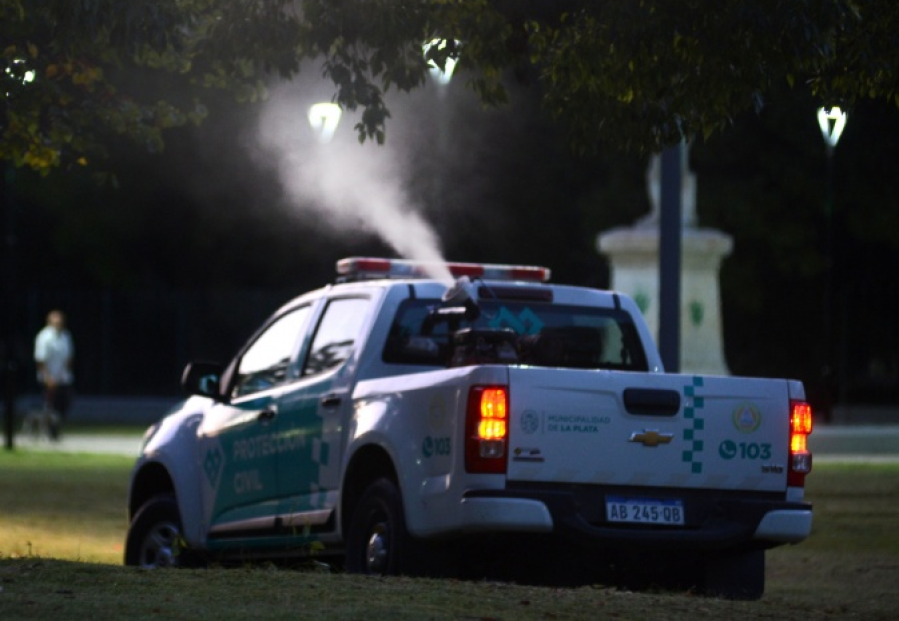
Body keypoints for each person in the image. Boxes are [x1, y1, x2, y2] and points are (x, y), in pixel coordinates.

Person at [34, 309, 74, 439]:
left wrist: (63, 373)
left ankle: (56, 427)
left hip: (63, 378)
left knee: (65, 403)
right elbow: (40, 359)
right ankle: (48, 429)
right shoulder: (44, 337)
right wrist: (48, 378)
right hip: (48, 378)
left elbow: (69, 356)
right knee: (49, 405)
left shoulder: (65, 336)